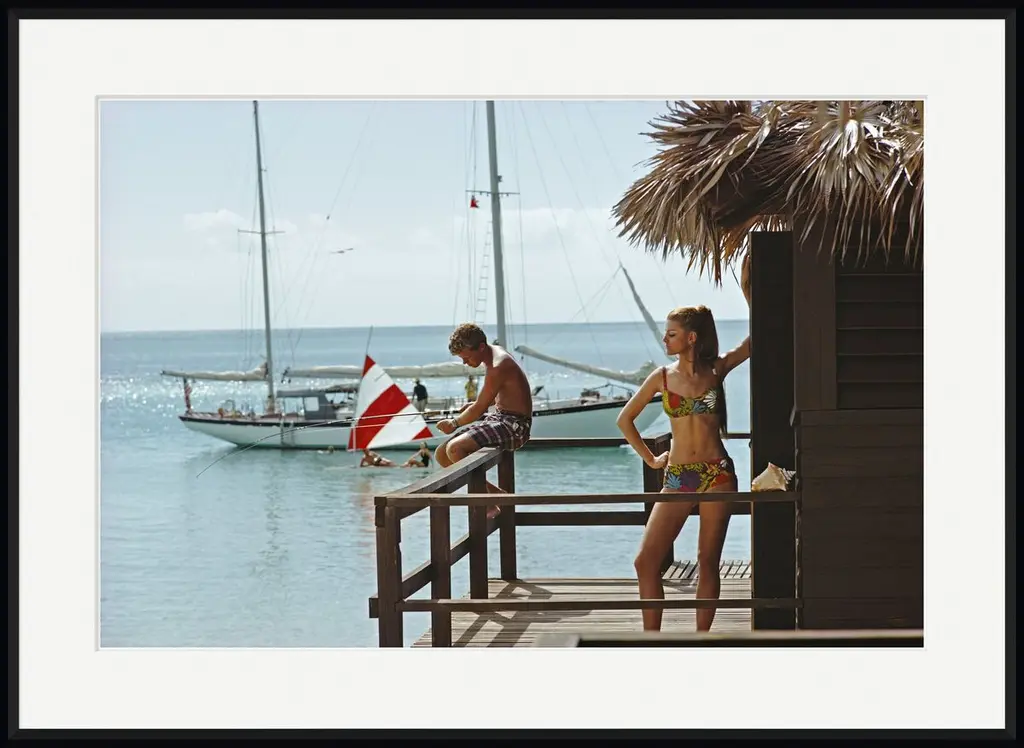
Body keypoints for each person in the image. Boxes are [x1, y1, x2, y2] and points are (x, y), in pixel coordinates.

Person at [616, 298, 751, 633]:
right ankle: (652, 641)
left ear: (691, 338)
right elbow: (625, 420)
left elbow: (751, 343)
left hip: (717, 474)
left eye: (672, 334)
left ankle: (701, 641)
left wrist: (751, 296)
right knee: (646, 562)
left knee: (708, 561)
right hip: (678, 477)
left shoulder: (716, 370)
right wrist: (650, 459)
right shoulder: (661, 377)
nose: (665, 339)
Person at [434, 323, 533, 520]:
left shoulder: (498, 365)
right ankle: (494, 494)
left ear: (480, 347)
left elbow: (479, 409)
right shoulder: (494, 354)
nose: (465, 362)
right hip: (500, 417)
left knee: (455, 449)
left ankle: (489, 502)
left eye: (466, 357)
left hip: (515, 425)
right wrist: (476, 405)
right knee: (442, 455)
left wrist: (454, 423)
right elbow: (499, 395)